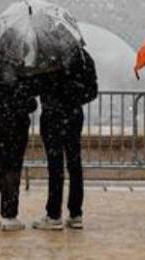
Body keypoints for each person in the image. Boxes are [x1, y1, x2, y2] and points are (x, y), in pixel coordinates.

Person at [31, 46, 98, 231]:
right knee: (75, 164)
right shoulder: (84, 58)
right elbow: (92, 90)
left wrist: (51, 86)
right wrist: (73, 98)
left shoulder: (47, 56)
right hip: (73, 116)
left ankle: (54, 215)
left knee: (55, 166)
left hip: (52, 116)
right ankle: (76, 213)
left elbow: (34, 87)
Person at [0, 52, 37, 231]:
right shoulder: (17, 68)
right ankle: (9, 215)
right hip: (12, 125)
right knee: (11, 167)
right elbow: (24, 101)